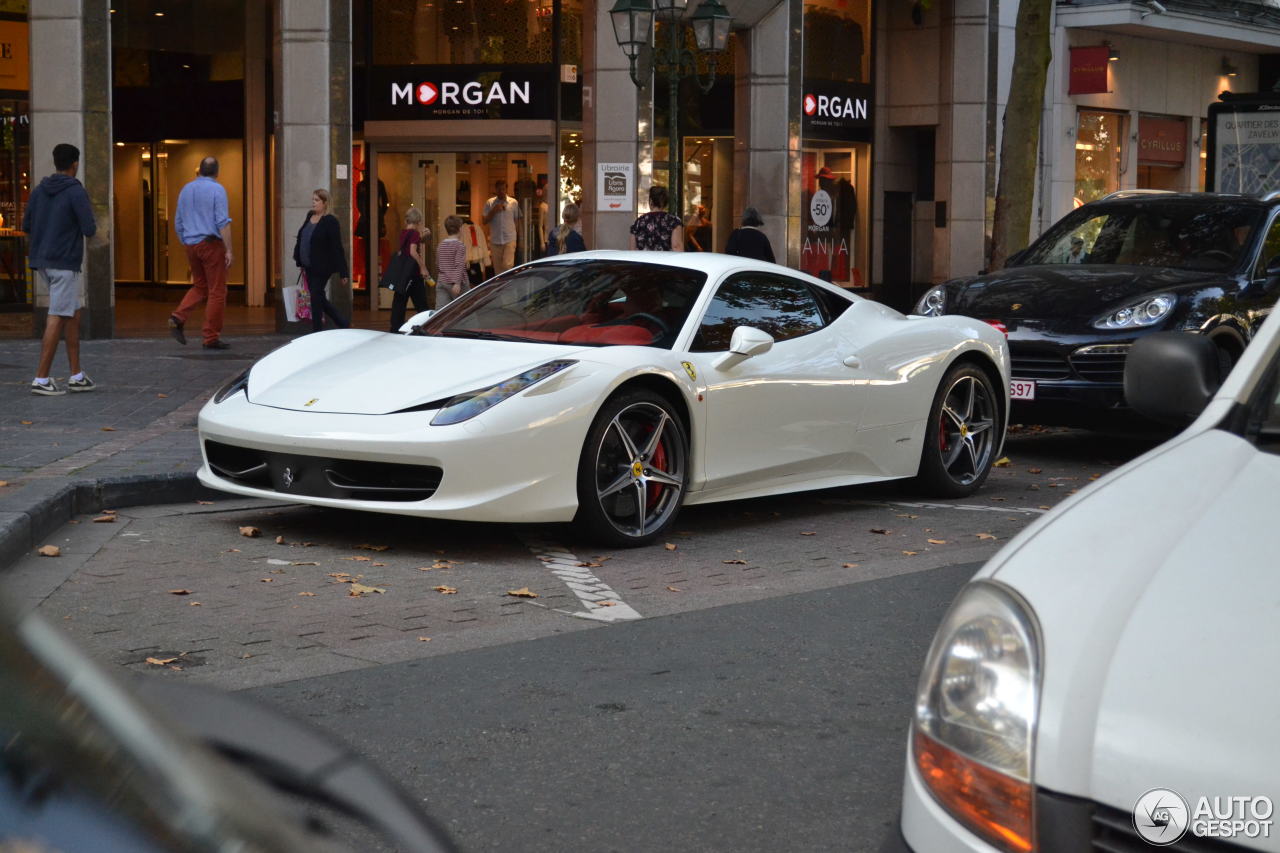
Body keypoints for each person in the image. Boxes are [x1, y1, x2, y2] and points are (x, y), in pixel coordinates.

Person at [25, 143, 97, 395]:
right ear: (74, 164)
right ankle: (41, 379)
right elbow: (89, 228)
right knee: (57, 315)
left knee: (72, 312)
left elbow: (26, 224)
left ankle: (76, 375)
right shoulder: (75, 191)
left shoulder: (39, 190)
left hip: (41, 261)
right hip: (64, 262)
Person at [169, 156, 233, 349]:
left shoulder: (186, 190)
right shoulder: (217, 189)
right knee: (217, 291)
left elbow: (178, 221)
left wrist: (186, 241)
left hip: (191, 245)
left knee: (200, 286)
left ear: (199, 171)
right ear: (217, 172)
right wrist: (229, 249)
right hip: (211, 244)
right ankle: (210, 337)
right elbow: (223, 222)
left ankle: (178, 316)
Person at [292, 188, 350, 332]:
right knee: (317, 295)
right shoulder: (310, 216)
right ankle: (341, 321)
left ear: (325, 203)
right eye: (313, 200)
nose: (314, 203)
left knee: (316, 296)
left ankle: (317, 330)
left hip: (322, 266)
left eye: (317, 200)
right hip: (308, 265)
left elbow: (337, 247)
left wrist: (344, 272)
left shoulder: (330, 221)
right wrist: (300, 258)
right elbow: (302, 236)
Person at [388, 207, 431, 332]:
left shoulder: (404, 233)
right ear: (418, 221)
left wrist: (423, 236)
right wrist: (423, 267)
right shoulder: (414, 233)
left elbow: (409, 247)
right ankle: (427, 324)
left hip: (404, 273)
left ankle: (395, 327)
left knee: (400, 300)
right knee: (421, 302)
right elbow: (413, 251)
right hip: (413, 273)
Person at [482, 179, 521, 274]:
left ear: (506, 189)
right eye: (499, 189)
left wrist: (519, 237)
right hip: (495, 240)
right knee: (498, 270)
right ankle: (500, 288)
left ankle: (508, 287)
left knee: (507, 266)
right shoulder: (489, 203)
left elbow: (517, 220)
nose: (501, 192)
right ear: (496, 189)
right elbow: (484, 221)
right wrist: (493, 210)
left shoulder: (513, 202)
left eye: (503, 189)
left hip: (510, 239)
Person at [630, 186, 683, 251]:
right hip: (664, 260)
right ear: (666, 203)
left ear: (650, 201)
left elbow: (632, 249)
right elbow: (676, 246)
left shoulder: (638, 222)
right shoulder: (674, 221)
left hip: (643, 260)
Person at [436, 215, 468, 308]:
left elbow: (438, 264)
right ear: (460, 228)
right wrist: (457, 283)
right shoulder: (460, 246)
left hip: (442, 281)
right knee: (465, 307)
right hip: (458, 284)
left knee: (441, 310)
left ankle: (440, 323)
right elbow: (459, 265)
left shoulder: (440, 245)